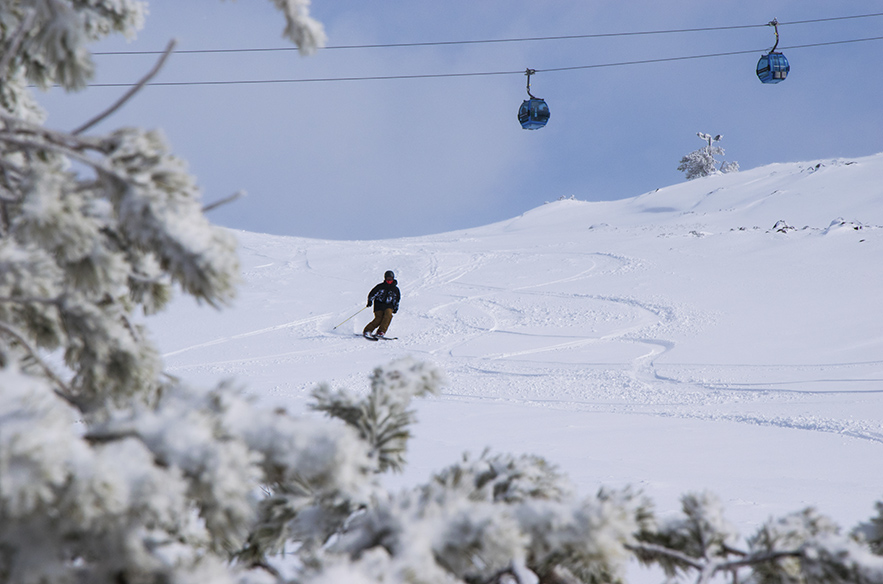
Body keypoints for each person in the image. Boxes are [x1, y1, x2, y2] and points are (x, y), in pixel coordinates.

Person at [363, 270, 400, 338]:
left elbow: (396, 299)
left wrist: (395, 307)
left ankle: (381, 331)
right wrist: (370, 301)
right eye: (387, 279)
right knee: (379, 318)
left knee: (388, 315)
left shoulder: (395, 289)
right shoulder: (380, 287)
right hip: (379, 305)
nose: (389, 281)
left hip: (389, 305)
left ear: (393, 279)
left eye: (390, 279)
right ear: (385, 279)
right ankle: (367, 330)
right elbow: (372, 294)